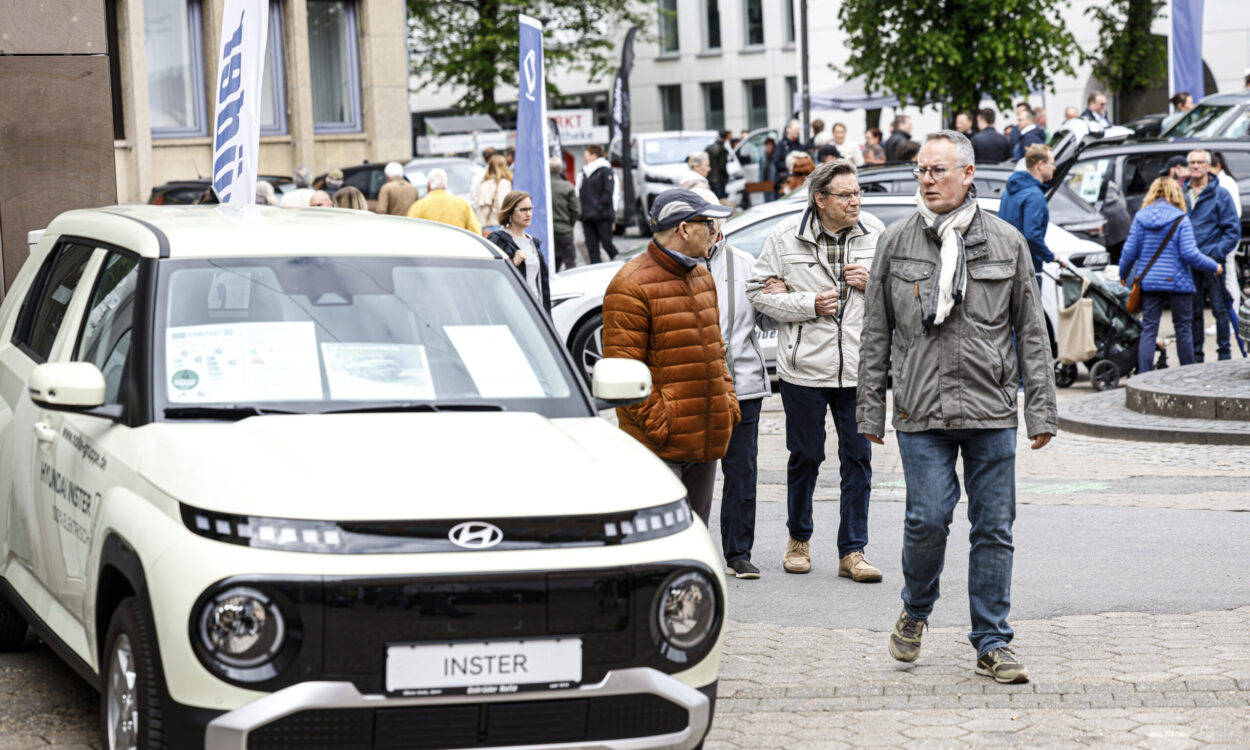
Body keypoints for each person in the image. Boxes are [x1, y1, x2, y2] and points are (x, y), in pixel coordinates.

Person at [857, 130, 1057, 685]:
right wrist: (870, 411)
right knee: (927, 520)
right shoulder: (895, 242)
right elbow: (876, 331)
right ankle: (916, 610)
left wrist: (1040, 411)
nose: (927, 179)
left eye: (938, 170)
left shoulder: (1007, 242)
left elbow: (1031, 332)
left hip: (992, 409)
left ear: (968, 175)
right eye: (922, 169)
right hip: (921, 411)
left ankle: (992, 641)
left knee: (994, 527)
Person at [746, 160, 885, 582]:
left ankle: (853, 551)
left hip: (859, 368)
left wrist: (874, 280)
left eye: (857, 193)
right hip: (803, 370)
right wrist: (806, 303)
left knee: (858, 458)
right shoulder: (785, 237)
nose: (854, 201)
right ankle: (798, 538)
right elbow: (756, 292)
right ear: (820, 199)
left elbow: (901, 291)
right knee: (806, 456)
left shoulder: (875, 233)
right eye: (845, 195)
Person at [602, 189, 739, 524]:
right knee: (662, 542)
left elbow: (716, 351)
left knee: (697, 538)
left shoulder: (701, 276)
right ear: (683, 229)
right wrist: (663, 425)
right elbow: (623, 376)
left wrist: (727, 404)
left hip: (704, 439)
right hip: (661, 446)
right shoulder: (630, 285)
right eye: (707, 222)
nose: (714, 231)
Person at [694, 188, 773, 579]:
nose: (709, 226)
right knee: (693, 474)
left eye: (713, 218)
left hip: (741, 384)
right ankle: (693, 551)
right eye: (700, 218)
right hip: (690, 390)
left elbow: (769, 323)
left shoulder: (744, 264)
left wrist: (778, 297)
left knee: (742, 470)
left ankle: (738, 552)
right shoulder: (672, 267)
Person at [1118, 177, 1220, 373]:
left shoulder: (1141, 217)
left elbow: (1129, 251)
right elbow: (1190, 254)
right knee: (1183, 329)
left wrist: (1123, 274)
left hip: (1150, 282)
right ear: (1177, 194)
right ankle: (1187, 373)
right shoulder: (1181, 219)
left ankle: (1144, 376)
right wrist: (1213, 265)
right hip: (1178, 282)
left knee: (1148, 329)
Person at [1184, 149, 1240, 362]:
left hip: (1213, 261)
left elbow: (1233, 230)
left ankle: (1224, 355)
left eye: (1200, 162)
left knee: (1219, 309)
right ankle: (1197, 357)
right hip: (1190, 261)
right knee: (1194, 311)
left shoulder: (1220, 194)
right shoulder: (1182, 192)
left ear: (1208, 166)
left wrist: (1215, 253)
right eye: (1192, 163)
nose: (1196, 166)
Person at [999, 144, 1055, 285]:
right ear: (1040, 165)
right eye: (1052, 163)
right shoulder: (1035, 195)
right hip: (1029, 269)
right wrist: (1050, 256)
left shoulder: (1009, 191)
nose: (1054, 167)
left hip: (1008, 265)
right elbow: (1031, 235)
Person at [487, 191, 550, 310]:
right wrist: (512, 263)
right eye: (523, 210)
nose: (528, 214)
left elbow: (541, 285)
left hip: (535, 309)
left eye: (531, 209)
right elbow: (489, 277)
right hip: (511, 310)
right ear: (510, 212)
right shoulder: (497, 240)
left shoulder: (533, 242)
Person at [1211, 152, 1246, 353]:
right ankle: (1232, 317)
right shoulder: (1227, 182)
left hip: (1226, 238)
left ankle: (1233, 316)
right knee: (1229, 278)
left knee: (1229, 278)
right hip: (1226, 236)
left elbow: (1233, 213)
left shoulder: (1225, 184)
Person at [406, 167, 481, 233]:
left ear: (428, 185)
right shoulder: (461, 203)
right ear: (445, 184)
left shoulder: (418, 206)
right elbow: (475, 230)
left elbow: (409, 230)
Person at [580, 144, 617, 263]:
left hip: (602, 215)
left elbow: (608, 191)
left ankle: (621, 263)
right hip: (587, 216)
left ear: (594, 155)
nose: (584, 157)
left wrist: (599, 206)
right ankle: (595, 270)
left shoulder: (605, 170)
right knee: (592, 247)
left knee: (607, 244)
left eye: (586, 154)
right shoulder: (585, 172)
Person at [548, 156, 580, 272]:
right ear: (561, 169)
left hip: (548, 231)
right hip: (564, 230)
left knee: (552, 265)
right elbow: (576, 210)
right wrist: (569, 224)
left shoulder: (543, 187)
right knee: (570, 263)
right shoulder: (567, 186)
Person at [475, 155, 513, 232]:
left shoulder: (483, 184)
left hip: (484, 228)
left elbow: (477, 206)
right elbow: (503, 206)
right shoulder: (504, 183)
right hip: (498, 225)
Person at [773, 119, 804, 184]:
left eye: (798, 129)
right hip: (785, 181)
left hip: (798, 181)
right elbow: (777, 162)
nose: (797, 132)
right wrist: (791, 167)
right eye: (795, 129)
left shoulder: (800, 146)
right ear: (788, 129)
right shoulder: (781, 145)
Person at [706, 130, 731, 199]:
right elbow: (722, 166)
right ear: (725, 138)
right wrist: (726, 176)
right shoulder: (722, 150)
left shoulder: (709, 148)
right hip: (719, 179)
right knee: (720, 201)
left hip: (709, 178)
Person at [761, 137, 779, 202]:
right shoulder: (763, 157)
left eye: (769, 145)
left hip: (773, 185)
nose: (767, 147)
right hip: (765, 184)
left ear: (773, 146)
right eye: (766, 145)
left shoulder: (776, 156)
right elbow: (761, 172)